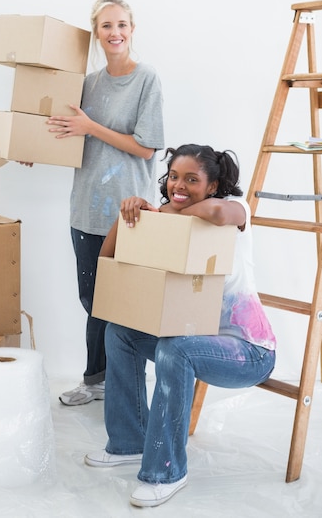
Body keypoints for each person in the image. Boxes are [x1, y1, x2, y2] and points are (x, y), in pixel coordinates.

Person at [84, 143, 277, 508]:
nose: (180, 185)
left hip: (249, 351)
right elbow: (108, 258)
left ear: (214, 184)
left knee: (176, 348)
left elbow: (219, 212)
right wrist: (129, 216)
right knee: (120, 333)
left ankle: (166, 471)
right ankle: (128, 442)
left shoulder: (237, 212)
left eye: (192, 179)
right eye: (174, 176)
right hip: (197, 339)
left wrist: (168, 211)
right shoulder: (167, 220)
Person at [47, 0, 165, 406]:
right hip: (85, 208)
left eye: (121, 25)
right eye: (105, 26)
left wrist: (91, 126)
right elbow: (71, 132)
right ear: (95, 34)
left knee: (123, 304)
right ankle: (96, 381)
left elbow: (147, 148)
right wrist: (35, 146)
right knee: (93, 301)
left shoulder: (146, 79)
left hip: (128, 211)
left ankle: (121, 386)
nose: (114, 33)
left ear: (132, 30)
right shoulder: (89, 82)